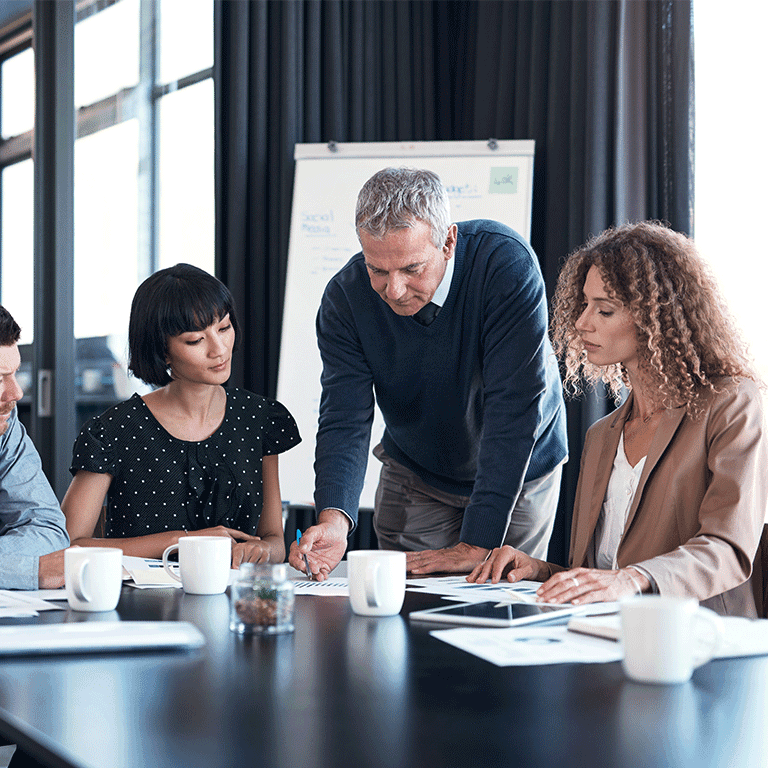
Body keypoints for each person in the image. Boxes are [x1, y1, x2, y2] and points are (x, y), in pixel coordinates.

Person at [468, 221, 767, 617]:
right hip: (610, 637)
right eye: (585, 304)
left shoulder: (732, 404)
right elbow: (600, 575)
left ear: (656, 317)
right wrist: (540, 571)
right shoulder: (601, 435)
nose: (582, 322)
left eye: (604, 310)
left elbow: (728, 547)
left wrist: (631, 578)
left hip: (703, 640)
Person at [290, 167, 568, 580]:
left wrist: (480, 539)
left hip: (519, 469)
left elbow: (515, 409)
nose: (394, 291)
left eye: (412, 269)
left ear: (449, 241)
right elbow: (344, 417)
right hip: (416, 470)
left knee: (499, 607)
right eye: (377, 271)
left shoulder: (505, 265)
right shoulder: (345, 298)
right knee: (407, 613)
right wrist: (333, 519)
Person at [62, 264, 301, 566]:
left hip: (235, 601)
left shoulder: (259, 418)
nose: (219, 349)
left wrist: (262, 551)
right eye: (195, 340)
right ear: (162, 350)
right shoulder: (114, 430)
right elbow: (71, 546)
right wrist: (181, 541)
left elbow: (274, 540)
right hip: (141, 605)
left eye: (224, 328)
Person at [0, 305, 69, 589]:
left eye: (14, 373)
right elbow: (39, 562)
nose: (16, 393)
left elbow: (47, 528)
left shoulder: (5, 428)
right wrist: (25, 569)